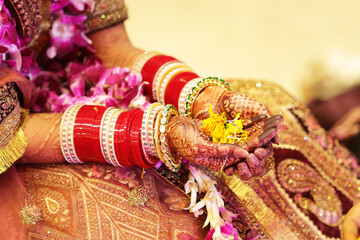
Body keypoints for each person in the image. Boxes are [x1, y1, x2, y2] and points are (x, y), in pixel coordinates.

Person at [0, 1, 358, 240]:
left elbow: (111, 48)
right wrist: (155, 134)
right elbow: (10, 133)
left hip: (54, 87)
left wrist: (204, 98)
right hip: (13, 146)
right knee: (154, 208)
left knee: (272, 103)